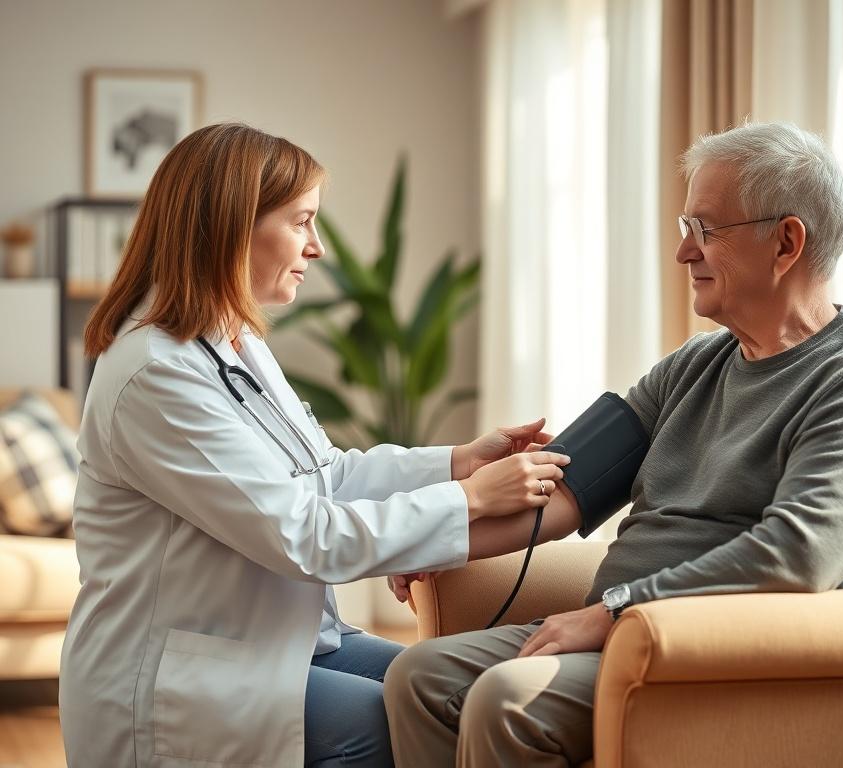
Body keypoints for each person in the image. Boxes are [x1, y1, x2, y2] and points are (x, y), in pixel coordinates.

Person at [383, 121, 843, 767]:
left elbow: (799, 558)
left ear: (786, 242)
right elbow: (564, 487)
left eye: (705, 231)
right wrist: (431, 538)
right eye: (685, 229)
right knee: (420, 676)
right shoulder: (695, 363)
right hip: (624, 631)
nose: (683, 254)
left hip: (718, 650)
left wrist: (615, 612)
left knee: (508, 698)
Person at [58, 122, 571, 768]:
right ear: (232, 227)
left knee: (448, 692)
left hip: (280, 642)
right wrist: (466, 499)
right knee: (388, 727)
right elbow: (306, 535)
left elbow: (323, 473)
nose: (317, 248)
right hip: (176, 678)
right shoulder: (154, 373)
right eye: (301, 222)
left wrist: (456, 461)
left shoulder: (233, 342)